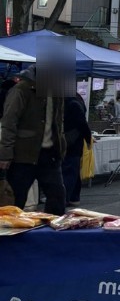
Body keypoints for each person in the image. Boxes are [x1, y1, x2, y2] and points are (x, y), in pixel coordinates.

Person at [0, 66, 67, 215]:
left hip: (50, 154)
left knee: (57, 198)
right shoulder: (22, 89)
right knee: (16, 199)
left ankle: (53, 234)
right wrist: (5, 154)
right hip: (23, 154)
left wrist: (61, 147)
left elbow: (58, 121)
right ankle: (9, 233)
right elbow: (9, 122)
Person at [61, 96, 93, 207]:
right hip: (75, 141)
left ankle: (65, 198)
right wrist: (88, 138)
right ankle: (74, 197)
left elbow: (82, 123)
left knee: (68, 170)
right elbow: (83, 123)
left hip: (69, 141)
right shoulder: (75, 100)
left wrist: (88, 137)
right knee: (73, 170)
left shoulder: (70, 102)